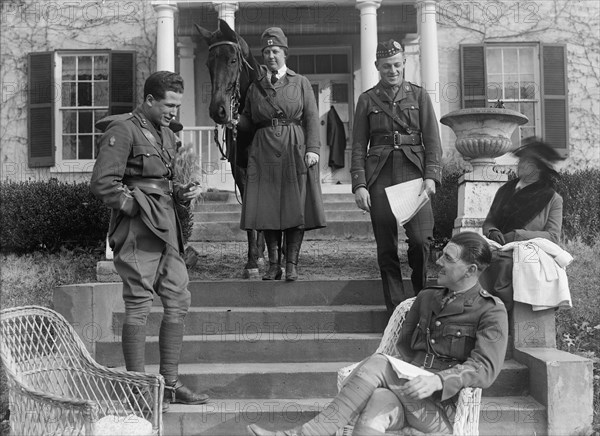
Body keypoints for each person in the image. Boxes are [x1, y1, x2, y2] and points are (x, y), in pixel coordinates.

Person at [247, 231, 508, 436]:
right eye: (442, 254)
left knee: (379, 363)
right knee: (376, 404)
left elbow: (484, 368)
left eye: (449, 258)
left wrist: (439, 381)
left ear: (471, 270)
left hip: (440, 412)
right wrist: (389, 382)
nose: (438, 261)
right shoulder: (427, 298)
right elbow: (403, 350)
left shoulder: (491, 311)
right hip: (406, 392)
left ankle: (307, 433)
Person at [91, 71, 209, 408]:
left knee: (177, 298)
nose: (174, 112)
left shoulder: (167, 135)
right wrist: (133, 207)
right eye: (169, 105)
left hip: (167, 225)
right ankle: (138, 388)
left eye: (178, 106)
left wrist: (181, 193)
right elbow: (103, 183)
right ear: (150, 100)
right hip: (138, 227)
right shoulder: (123, 129)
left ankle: (169, 384)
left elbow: (163, 181)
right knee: (140, 302)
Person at [351, 39, 442, 317]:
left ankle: (421, 303)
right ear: (377, 67)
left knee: (421, 240)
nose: (393, 70)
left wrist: (431, 176)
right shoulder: (367, 99)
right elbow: (357, 145)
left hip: (413, 173)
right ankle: (396, 310)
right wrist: (359, 184)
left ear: (404, 64)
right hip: (379, 176)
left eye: (397, 65)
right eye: (387, 66)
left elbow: (432, 140)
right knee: (386, 247)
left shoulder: (418, 95)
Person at [236, 27, 326, 281]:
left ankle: (292, 264)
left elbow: (311, 118)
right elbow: (249, 119)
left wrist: (313, 149)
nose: (270, 56)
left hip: (294, 147)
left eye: (275, 51)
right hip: (263, 149)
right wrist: (235, 121)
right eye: (266, 51)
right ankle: (274, 265)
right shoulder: (255, 88)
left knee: (294, 207)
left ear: (285, 53)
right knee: (268, 208)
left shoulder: (300, 82)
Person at [480, 137, 565, 310]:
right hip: (497, 244)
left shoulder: (552, 198)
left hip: (528, 249)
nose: (519, 164)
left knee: (505, 266)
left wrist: (518, 235)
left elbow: (553, 235)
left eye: (525, 161)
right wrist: (492, 231)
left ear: (537, 168)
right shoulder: (505, 190)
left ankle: (506, 314)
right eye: (520, 160)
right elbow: (489, 221)